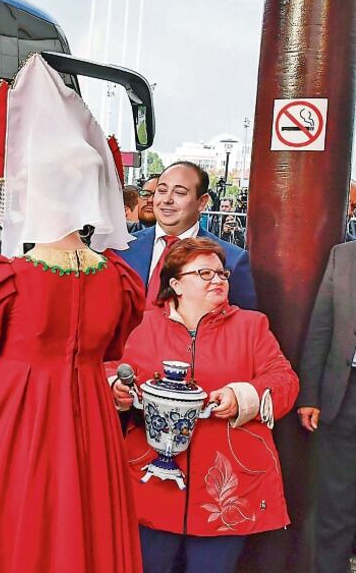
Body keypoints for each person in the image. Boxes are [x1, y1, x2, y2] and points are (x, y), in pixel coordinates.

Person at [0, 53, 144, 573]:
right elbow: (113, 346)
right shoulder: (116, 277)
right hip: (89, 420)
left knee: (12, 531)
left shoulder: (6, 278)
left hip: (16, 421)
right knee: (83, 531)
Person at [111, 238, 297, 573]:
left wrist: (243, 396)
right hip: (151, 481)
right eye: (204, 273)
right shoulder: (141, 324)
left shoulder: (252, 325)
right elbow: (109, 366)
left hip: (227, 487)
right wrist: (117, 390)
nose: (218, 280)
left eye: (222, 274)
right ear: (176, 284)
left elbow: (284, 381)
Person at [115, 161, 257, 309]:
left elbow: (242, 325)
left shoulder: (232, 260)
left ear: (202, 202)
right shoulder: (124, 249)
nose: (167, 200)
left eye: (180, 193)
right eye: (162, 191)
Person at [297, 240, 356, 572]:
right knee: (335, 508)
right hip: (343, 396)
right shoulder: (343, 255)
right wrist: (310, 395)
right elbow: (321, 328)